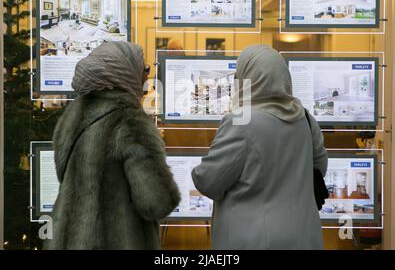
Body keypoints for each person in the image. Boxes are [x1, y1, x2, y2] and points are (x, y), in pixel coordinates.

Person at [45, 42, 180, 250]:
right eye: (143, 69)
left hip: (68, 239)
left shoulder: (71, 117)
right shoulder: (130, 122)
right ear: (124, 71)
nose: (146, 76)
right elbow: (156, 203)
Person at [192, 44, 328, 250]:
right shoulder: (306, 119)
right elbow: (319, 168)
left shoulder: (241, 121)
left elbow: (209, 181)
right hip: (303, 235)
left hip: (251, 238)